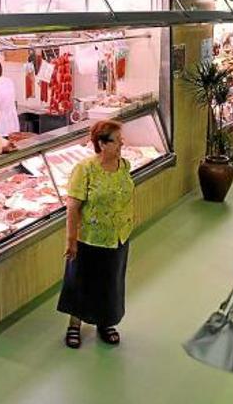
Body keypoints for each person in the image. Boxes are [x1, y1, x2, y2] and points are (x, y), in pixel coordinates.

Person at [57, 120, 135, 348]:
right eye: (117, 141)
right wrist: (71, 241)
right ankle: (74, 325)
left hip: (118, 236)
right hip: (89, 237)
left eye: (121, 140)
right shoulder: (85, 169)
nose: (122, 143)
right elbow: (72, 207)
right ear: (102, 144)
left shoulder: (125, 165)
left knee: (111, 281)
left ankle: (106, 321)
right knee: (81, 281)